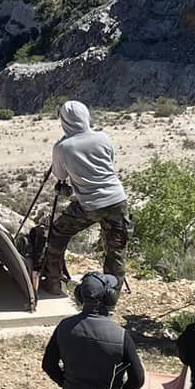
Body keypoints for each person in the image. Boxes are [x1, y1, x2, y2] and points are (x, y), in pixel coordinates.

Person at [39, 101, 132, 295]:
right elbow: (110, 163)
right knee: (116, 251)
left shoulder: (62, 147)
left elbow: (61, 176)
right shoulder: (103, 138)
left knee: (57, 233)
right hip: (116, 200)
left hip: (89, 204)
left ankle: (54, 281)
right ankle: (110, 298)